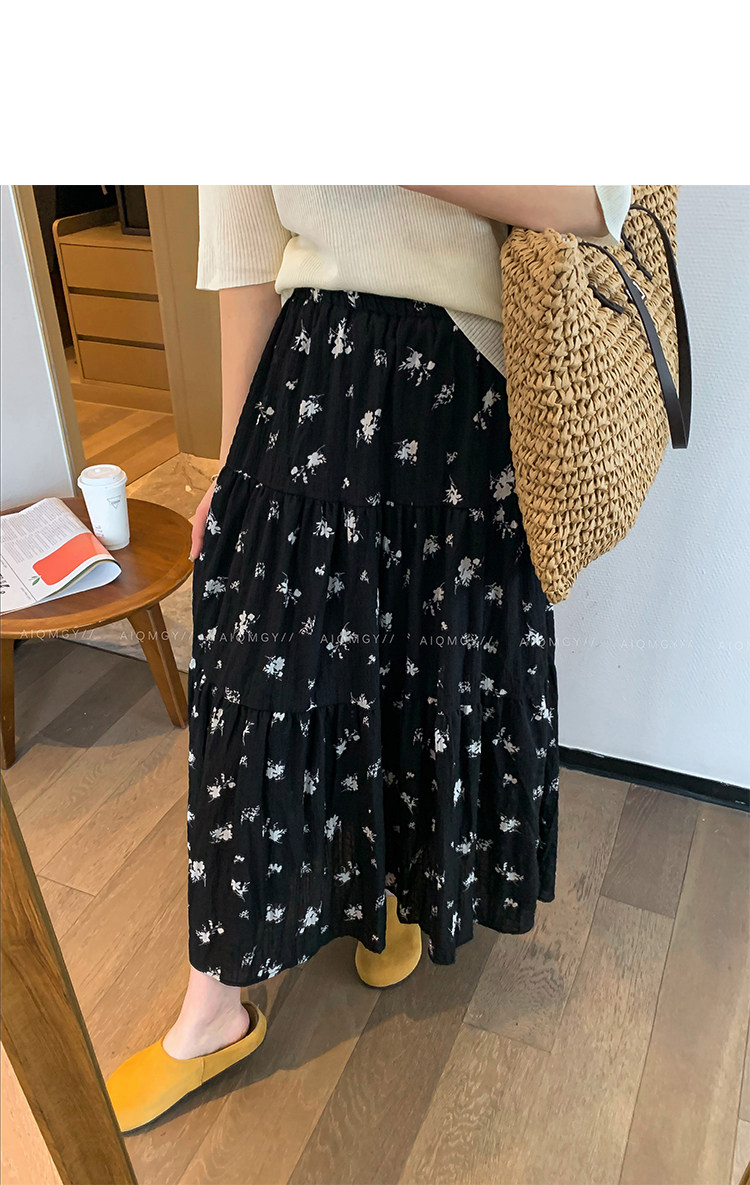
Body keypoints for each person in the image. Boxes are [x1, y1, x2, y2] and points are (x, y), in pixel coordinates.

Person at [105, 184, 632, 1131]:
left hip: (475, 386)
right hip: (313, 371)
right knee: (258, 684)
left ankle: (394, 892)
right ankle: (212, 1007)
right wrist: (230, 465)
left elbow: (601, 197)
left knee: (426, 682)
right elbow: (245, 255)